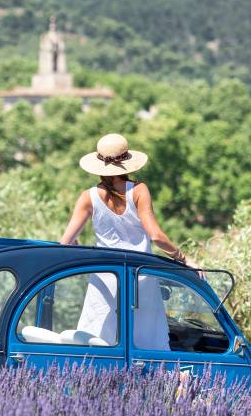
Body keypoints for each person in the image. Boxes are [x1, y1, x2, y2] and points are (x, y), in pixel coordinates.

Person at [59, 133, 197, 350]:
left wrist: (81, 248)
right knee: (147, 345)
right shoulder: (139, 191)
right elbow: (156, 236)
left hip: (104, 278)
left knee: (98, 344)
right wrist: (184, 258)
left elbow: (66, 243)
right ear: (127, 163)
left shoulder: (88, 197)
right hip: (140, 277)